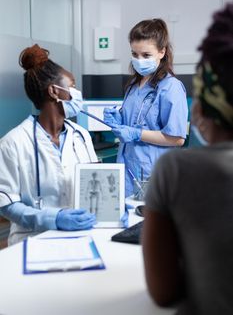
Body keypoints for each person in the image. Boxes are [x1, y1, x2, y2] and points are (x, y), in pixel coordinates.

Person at [142, 3, 233, 314]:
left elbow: (164, 291)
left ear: (202, 106)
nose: (140, 60)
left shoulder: (177, 170)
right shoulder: (135, 86)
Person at [0, 44, 97, 245]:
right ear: (54, 91)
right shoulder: (13, 142)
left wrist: (112, 210)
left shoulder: (81, 136)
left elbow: (95, 183)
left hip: (79, 237)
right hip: (31, 240)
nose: (77, 93)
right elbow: (6, 203)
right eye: (73, 86)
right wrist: (52, 219)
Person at [104, 19, 188, 197]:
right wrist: (118, 120)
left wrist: (136, 133)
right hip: (125, 168)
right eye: (134, 54)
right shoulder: (134, 85)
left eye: (146, 55)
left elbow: (177, 138)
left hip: (153, 173)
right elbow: (134, 121)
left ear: (161, 52)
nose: (139, 60)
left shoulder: (171, 87)